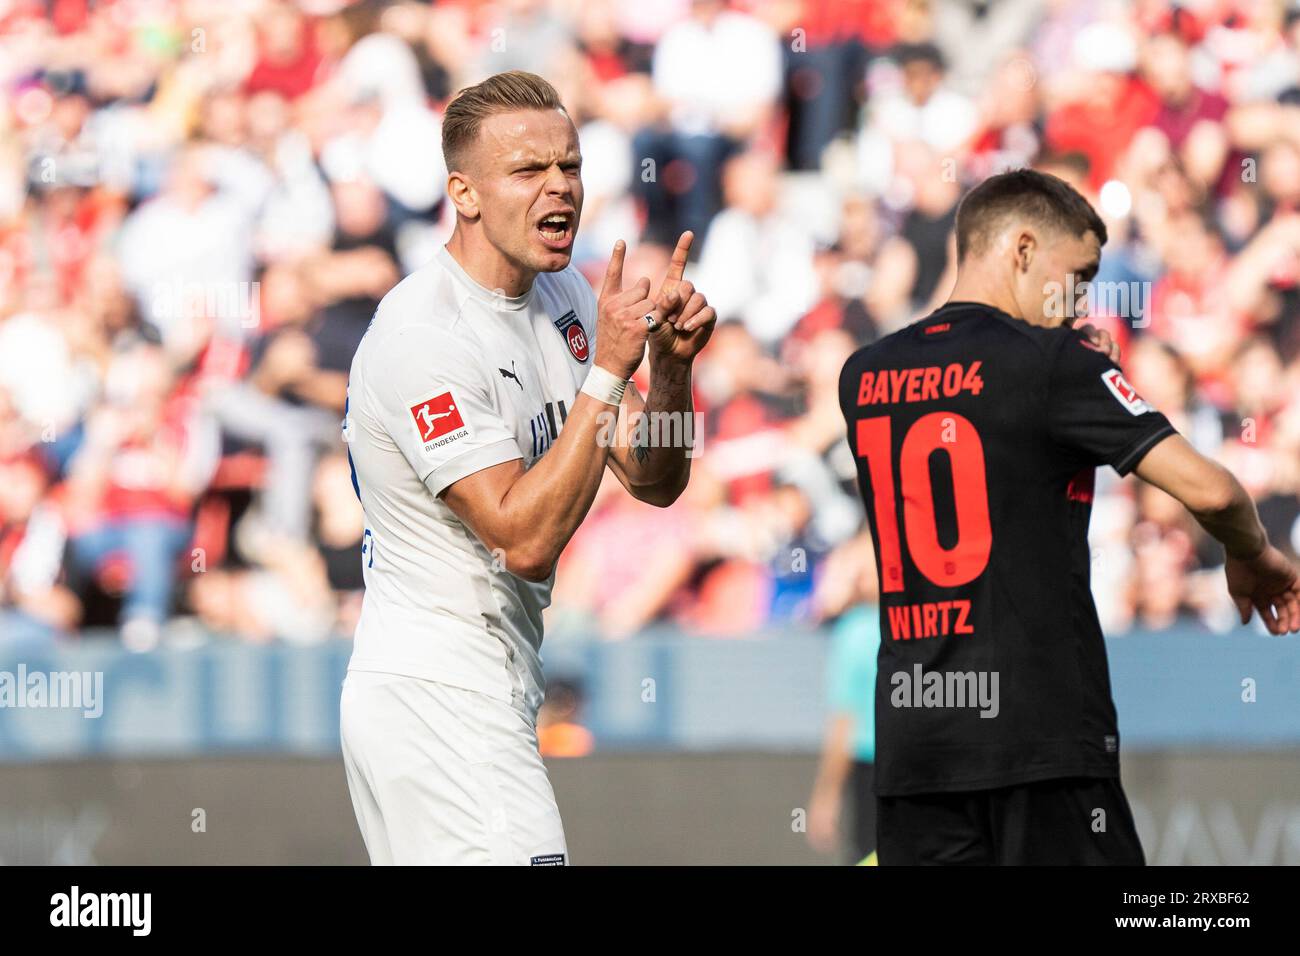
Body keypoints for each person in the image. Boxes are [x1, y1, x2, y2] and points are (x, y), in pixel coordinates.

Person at [838, 168, 1300, 866]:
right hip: (1039, 744)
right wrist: (1253, 553)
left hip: (915, 747)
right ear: (1022, 249)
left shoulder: (863, 376)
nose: (1081, 299)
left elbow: (989, 447)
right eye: (1078, 276)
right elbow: (1213, 492)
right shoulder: (1055, 363)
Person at [339, 71, 715, 865]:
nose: (561, 188)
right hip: (438, 695)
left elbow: (655, 481)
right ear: (464, 194)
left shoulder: (566, 294)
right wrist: (610, 373)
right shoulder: (423, 335)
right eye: (529, 171)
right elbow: (523, 538)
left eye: (570, 166)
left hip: (481, 689)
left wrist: (673, 369)